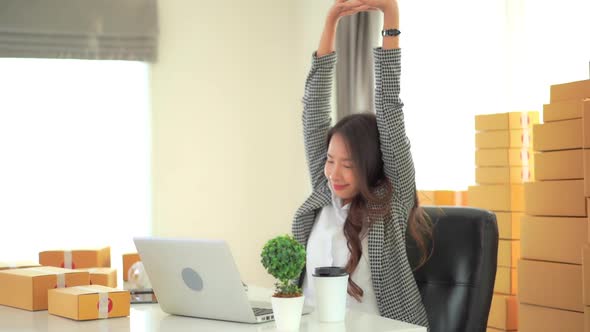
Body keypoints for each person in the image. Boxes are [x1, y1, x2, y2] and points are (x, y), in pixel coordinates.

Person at [292, 0, 431, 328]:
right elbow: (314, 111)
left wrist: (391, 16)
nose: (333, 173)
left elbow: (389, 105)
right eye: (329, 160)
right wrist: (330, 24)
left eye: (348, 164)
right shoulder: (323, 192)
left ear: (369, 165)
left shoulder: (391, 201)